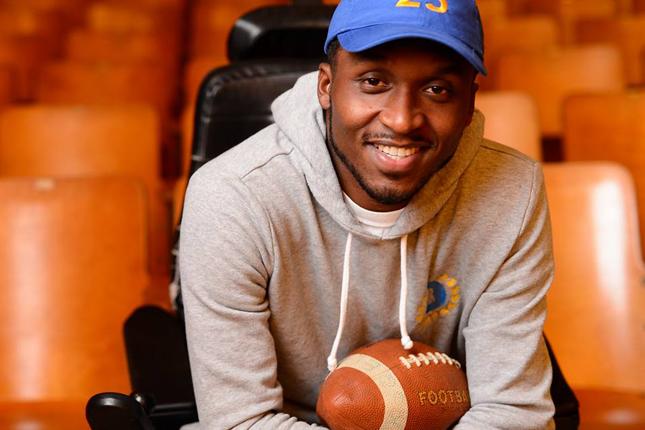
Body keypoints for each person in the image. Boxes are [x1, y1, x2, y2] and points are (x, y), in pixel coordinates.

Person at [179, 0, 555, 428]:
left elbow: (514, 411)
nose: (401, 120)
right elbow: (239, 422)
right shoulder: (233, 196)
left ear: (470, 103)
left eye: (438, 90)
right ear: (326, 87)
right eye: (373, 81)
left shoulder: (513, 189)